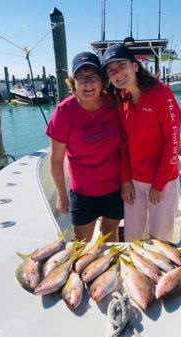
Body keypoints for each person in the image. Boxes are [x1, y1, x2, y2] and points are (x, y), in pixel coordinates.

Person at [102, 44, 181, 242]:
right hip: (135, 182)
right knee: (132, 238)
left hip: (163, 181)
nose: (117, 73)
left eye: (121, 65)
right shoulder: (122, 98)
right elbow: (124, 142)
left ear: (135, 66)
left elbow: (172, 143)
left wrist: (159, 184)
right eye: (111, 71)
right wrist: (126, 180)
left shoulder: (161, 94)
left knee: (160, 240)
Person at [46, 52, 125, 242]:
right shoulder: (64, 112)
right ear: (73, 83)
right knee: (81, 241)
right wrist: (62, 196)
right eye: (81, 78)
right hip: (83, 192)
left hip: (114, 188)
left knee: (110, 232)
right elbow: (56, 159)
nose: (88, 83)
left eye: (93, 77)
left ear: (102, 80)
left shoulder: (115, 103)